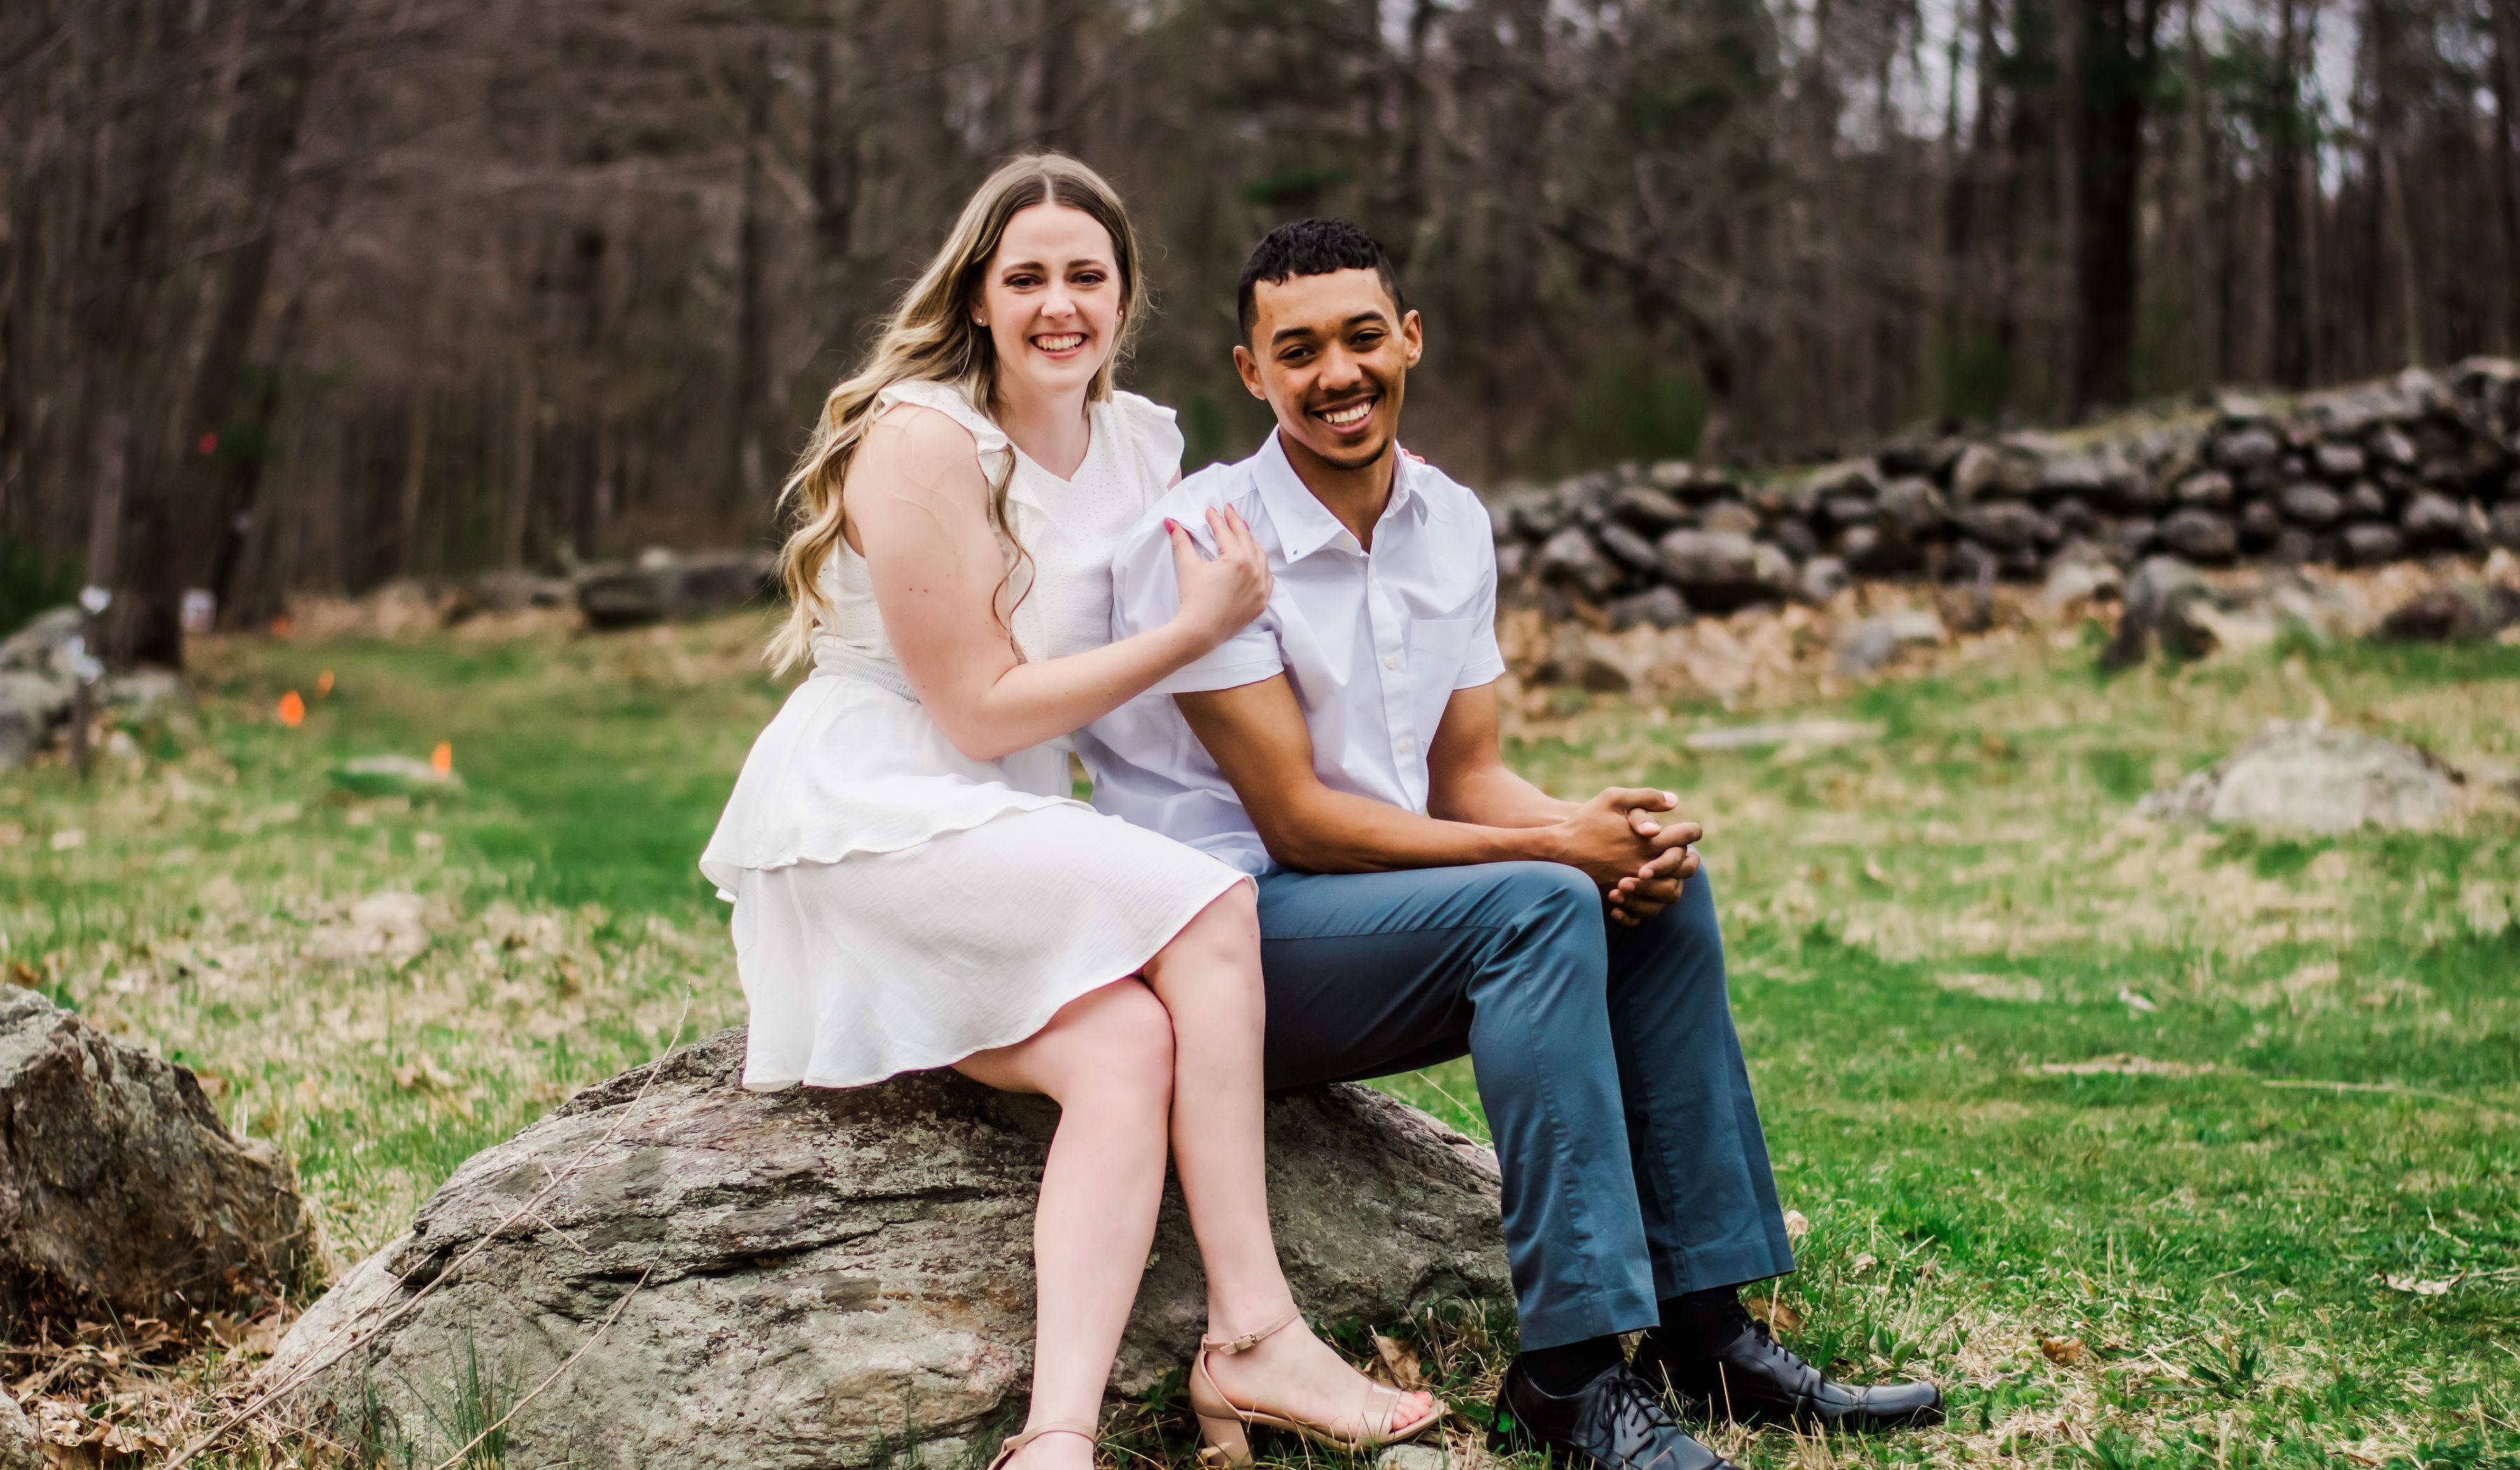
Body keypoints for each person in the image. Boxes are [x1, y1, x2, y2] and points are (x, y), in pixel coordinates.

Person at [1082, 218, 1946, 1470]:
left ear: (1410, 339)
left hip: (1366, 919)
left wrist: (1604, 836)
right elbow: (1298, 821)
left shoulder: (1449, 520)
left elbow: (1466, 776)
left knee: (1650, 891)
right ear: (1250, 372)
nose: (1338, 374)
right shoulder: (1205, 540)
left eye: (1362, 338)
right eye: (1299, 350)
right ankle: (1570, 1380)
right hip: (1223, 952)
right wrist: (1557, 854)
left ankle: (1703, 1331)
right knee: (1541, 903)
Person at [698, 163, 1437, 1470]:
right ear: (977, 297)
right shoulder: (923, 439)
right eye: (1027, 277)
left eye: (1087, 276)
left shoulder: (1144, 445)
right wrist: (1194, 634)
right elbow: (980, 711)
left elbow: (1186, 676)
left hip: (1007, 830)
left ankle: (1057, 1435)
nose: (1059, 305)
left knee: (1125, 1049)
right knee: (1208, 907)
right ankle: (1256, 1331)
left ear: (1125, 296)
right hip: (875, 815)